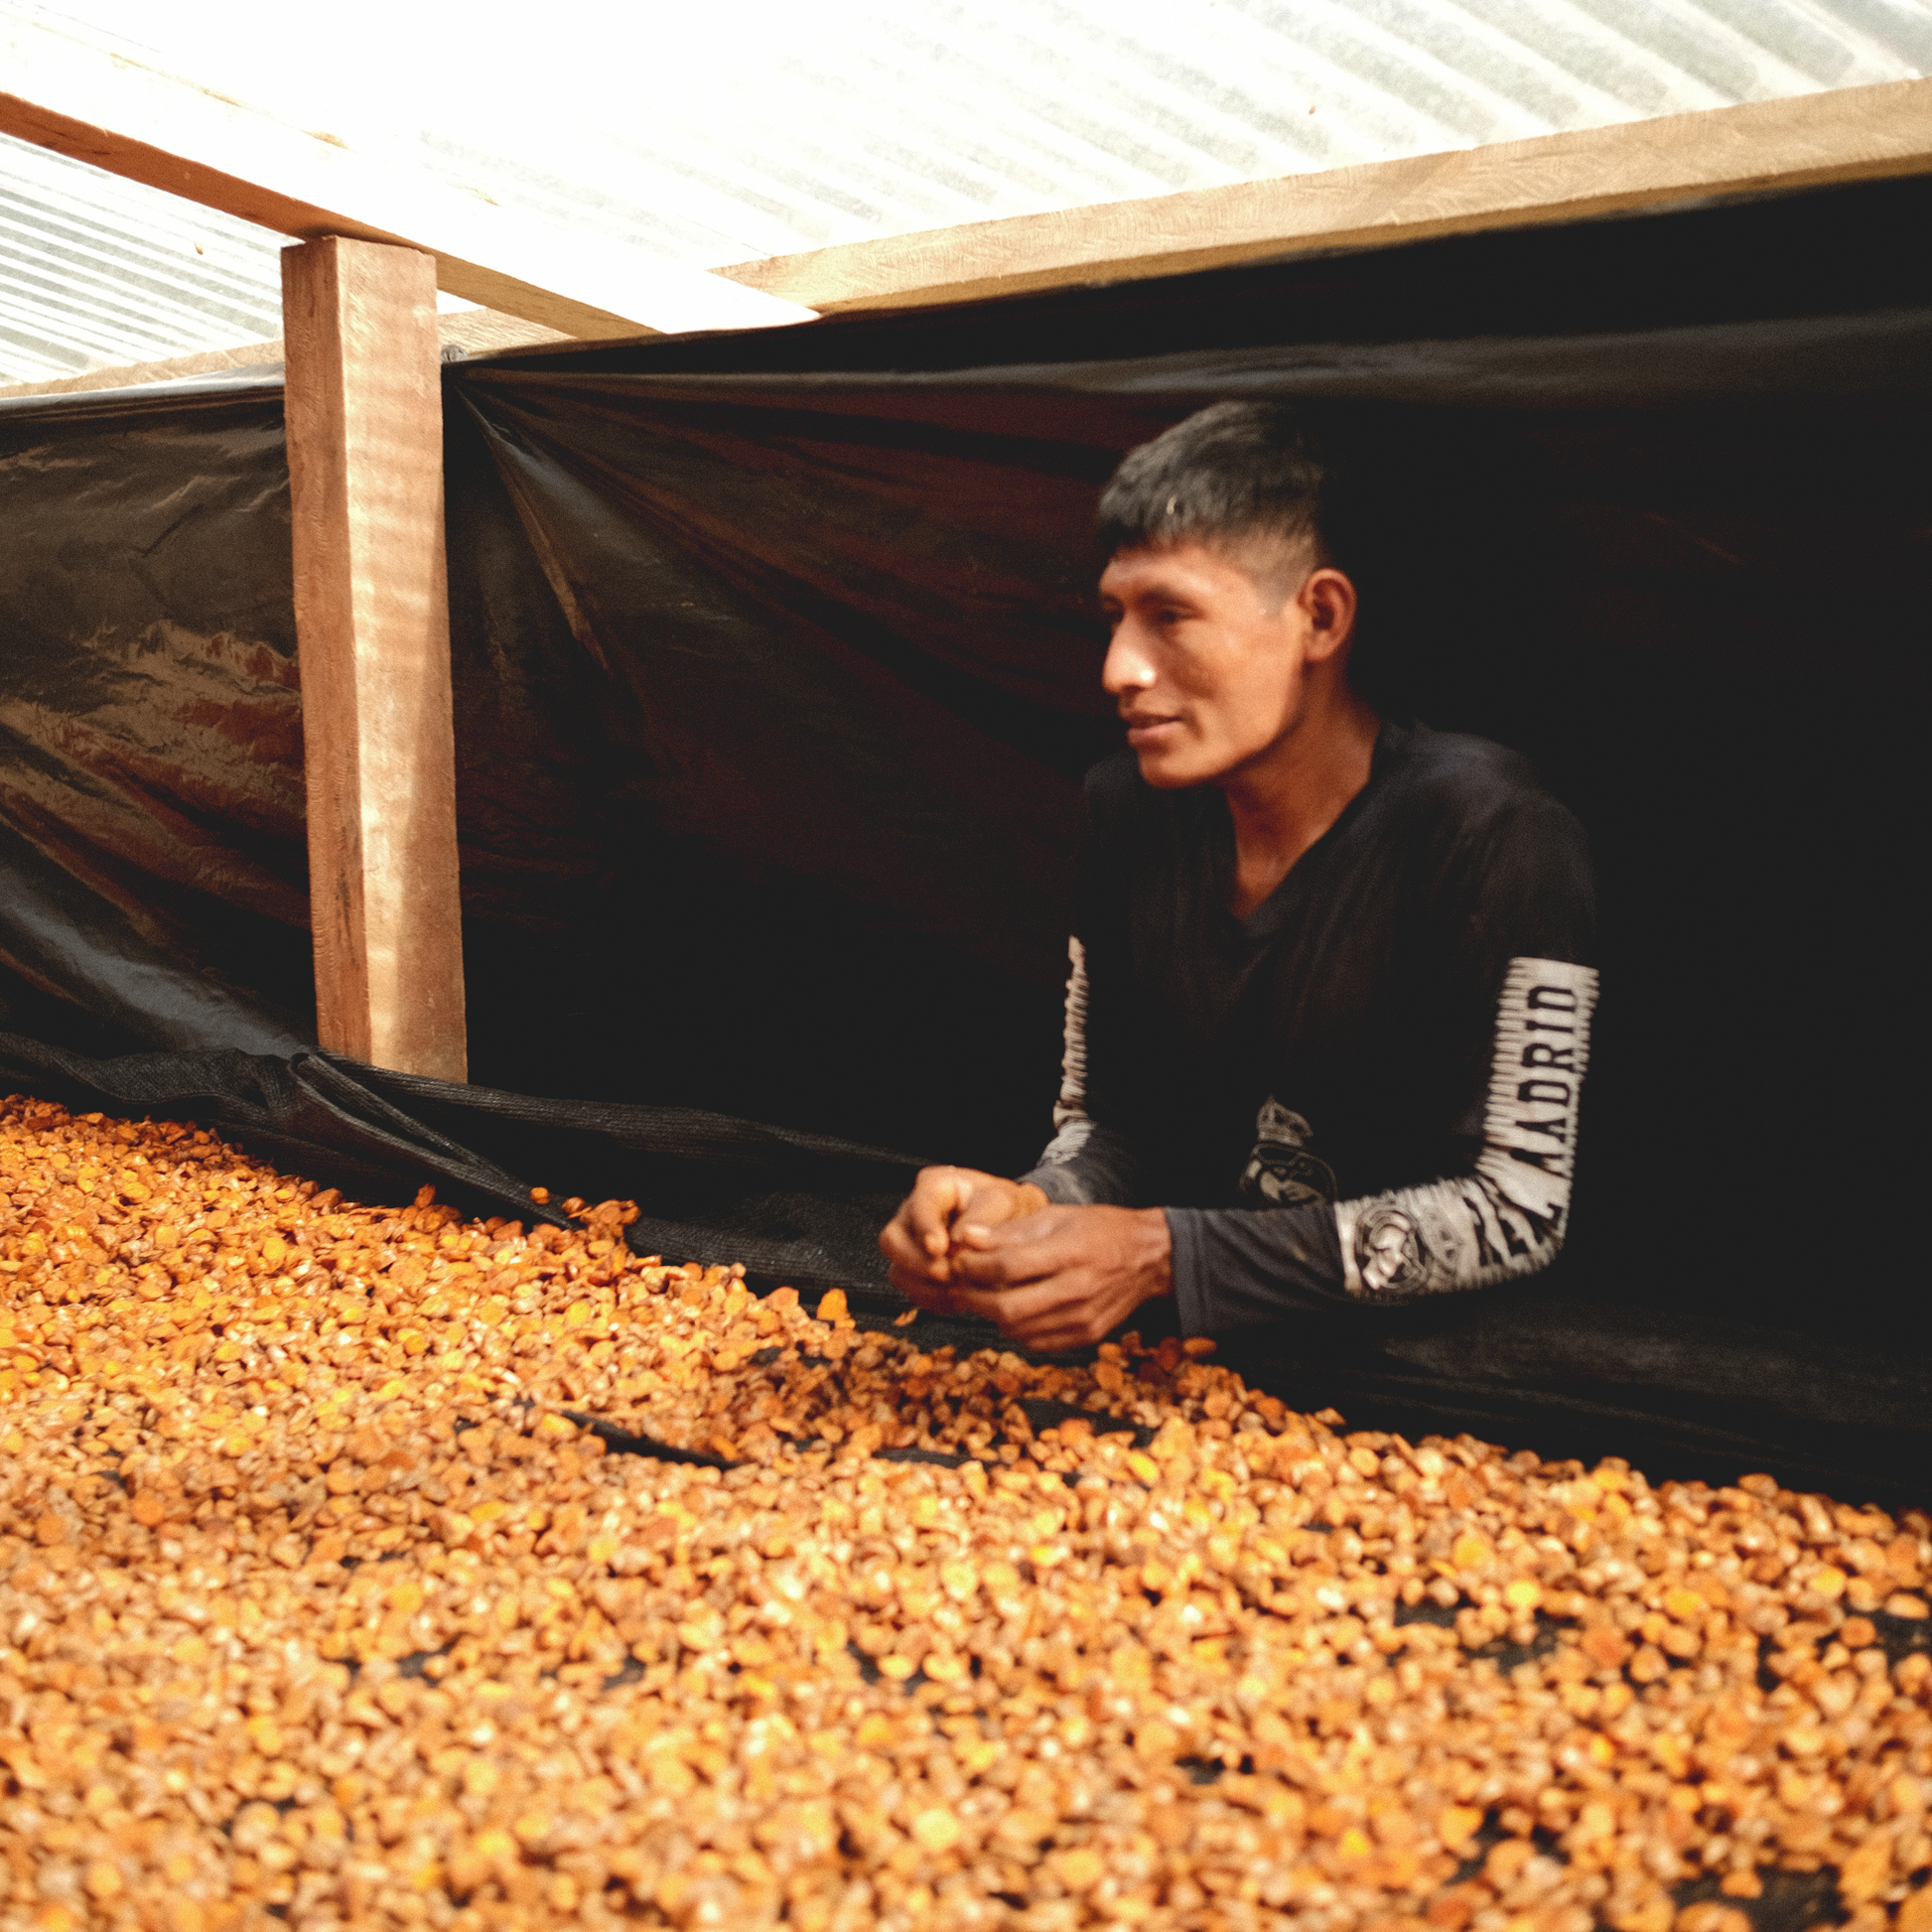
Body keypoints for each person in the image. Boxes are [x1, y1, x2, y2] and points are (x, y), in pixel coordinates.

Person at [879, 401, 1596, 1354]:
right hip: (1178, 1378)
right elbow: (1111, 1123)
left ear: (1321, 617)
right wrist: (1023, 1207)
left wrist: (1162, 1257)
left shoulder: (1493, 830)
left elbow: (1516, 1210)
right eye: (1116, 618)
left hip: (1427, 1379)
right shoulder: (1125, 809)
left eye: (1170, 615)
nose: (1119, 669)